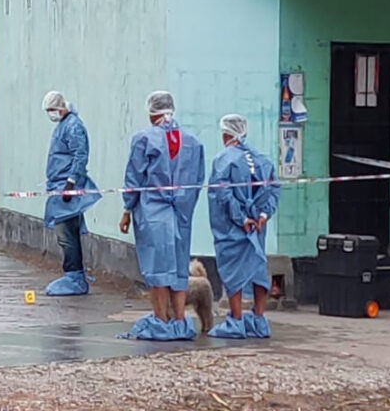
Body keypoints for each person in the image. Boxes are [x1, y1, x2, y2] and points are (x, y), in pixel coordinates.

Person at [118, 91, 205, 340]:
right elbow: (197, 181)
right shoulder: (192, 141)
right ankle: (179, 320)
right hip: (181, 214)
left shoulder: (144, 139)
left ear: (150, 111)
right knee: (178, 270)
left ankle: (160, 319)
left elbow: (134, 179)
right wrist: (185, 206)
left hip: (153, 213)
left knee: (157, 271)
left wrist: (127, 209)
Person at [207, 114, 280, 339]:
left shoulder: (224, 159)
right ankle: (259, 318)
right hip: (257, 226)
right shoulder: (263, 160)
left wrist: (240, 218)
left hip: (232, 227)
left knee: (232, 271)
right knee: (258, 267)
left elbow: (222, 192)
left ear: (226, 134)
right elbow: (274, 189)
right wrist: (263, 214)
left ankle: (236, 319)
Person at [41, 91, 101, 296]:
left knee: (66, 234)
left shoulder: (73, 126)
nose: (50, 115)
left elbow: (80, 155)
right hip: (59, 187)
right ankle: (73, 275)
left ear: (60, 107)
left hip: (66, 187)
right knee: (67, 233)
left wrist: (70, 183)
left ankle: (74, 277)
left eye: (51, 110)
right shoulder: (64, 125)